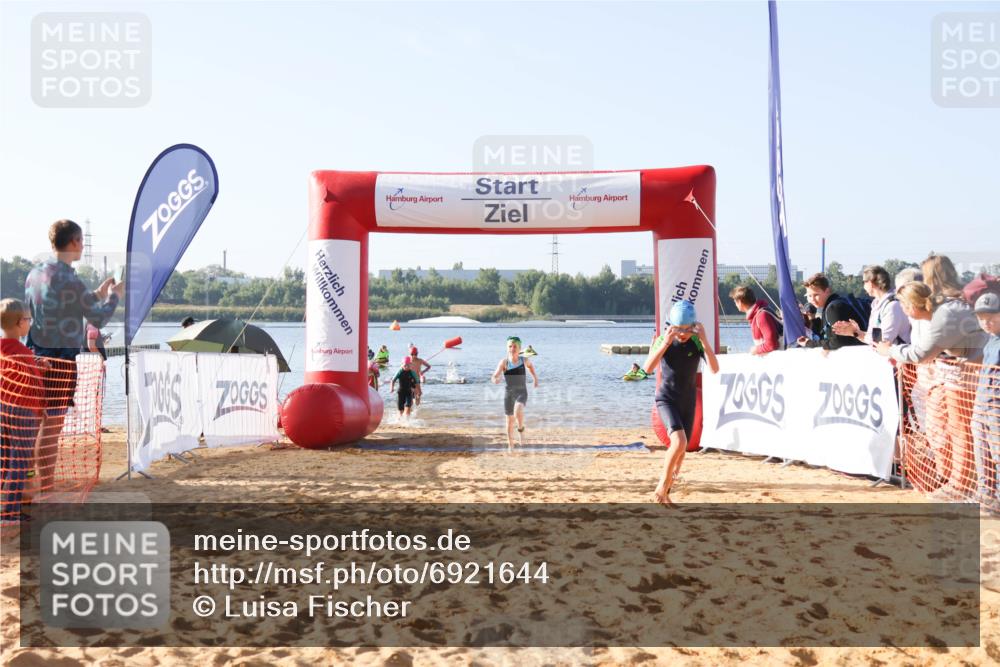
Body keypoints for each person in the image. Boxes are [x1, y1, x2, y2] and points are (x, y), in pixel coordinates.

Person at [24, 220, 122, 495]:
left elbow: (60, 305)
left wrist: (97, 294)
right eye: (81, 241)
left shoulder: (34, 274)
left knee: (35, 425)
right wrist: (114, 297)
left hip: (33, 357)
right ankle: (46, 486)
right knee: (52, 426)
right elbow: (98, 318)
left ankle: (29, 482)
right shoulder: (70, 279)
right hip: (60, 361)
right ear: (75, 242)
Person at [878, 282, 987, 499]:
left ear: (912, 304)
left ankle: (962, 484)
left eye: (903, 305)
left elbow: (921, 354)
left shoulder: (944, 316)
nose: (903, 310)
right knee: (954, 429)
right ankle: (958, 480)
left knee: (961, 429)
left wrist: (889, 349)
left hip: (971, 375)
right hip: (966, 373)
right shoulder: (942, 312)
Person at [643, 300, 720, 505]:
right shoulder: (664, 339)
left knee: (681, 453)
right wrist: (666, 343)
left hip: (688, 401)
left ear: (694, 326)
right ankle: (661, 487)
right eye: (678, 330)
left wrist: (704, 340)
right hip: (667, 398)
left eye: (687, 329)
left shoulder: (696, 341)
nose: (683, 334)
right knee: (679, 442)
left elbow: (714, 368)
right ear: (671, 326)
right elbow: (648, 368)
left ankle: (666, 492)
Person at [0, 299, 44, 525]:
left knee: (5, 458)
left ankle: (4, 505)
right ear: (19, 323)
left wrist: (35, 361)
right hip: (23, 412)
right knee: (20, 459)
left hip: (3, 409)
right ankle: (9, 511)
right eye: (28, 319)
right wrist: (42, 408)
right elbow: (35, 383)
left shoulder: (3, 347)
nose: (30, 323)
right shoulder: (22, 351)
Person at [832, 265, 911, 345]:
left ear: (870, 283)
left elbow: (883, 341)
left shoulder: (893, 306)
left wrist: (856, 332)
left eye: (864, 282)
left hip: (897, 356)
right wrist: (855, 332)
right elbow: (877, 340)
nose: (863, 286)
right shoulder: (878, 305)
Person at [971, 293, 1000, 506]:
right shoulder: (990, 340)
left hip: (996, 406)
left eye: (991, 316)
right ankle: (985, 493)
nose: (985, 321)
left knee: (997, 453)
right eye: (981, 317)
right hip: (982, 404)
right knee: (982, 450)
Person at [491, 336, 539, 448]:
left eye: (515, 346)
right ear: (507, 348)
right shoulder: (504, 362)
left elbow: (531, 367)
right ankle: (510, 443)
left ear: (519, 348)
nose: (512, 348)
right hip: (509, 393)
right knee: (509, 420)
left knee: (518, 410)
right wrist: (495, 380)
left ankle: (521, 429)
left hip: (522, 392)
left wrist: (535, 379)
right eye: (510, 346)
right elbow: (494, 376)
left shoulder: (524, 360)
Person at [795, 273, 866, 350]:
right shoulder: (839, 303)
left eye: (816, 295)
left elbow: (838, 342)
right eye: (809, 296)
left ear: (827, 291)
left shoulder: (833, 308)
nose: (812, 299)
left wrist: (809, 343)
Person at [729, 286, 781, 354]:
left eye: (735, 302)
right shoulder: (759, 313)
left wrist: (756, 349)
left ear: (739, 302)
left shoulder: (761, 316)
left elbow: (772, 345)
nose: (735, 305)